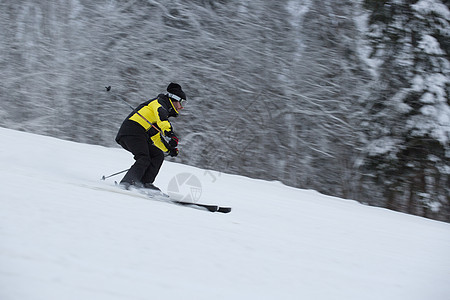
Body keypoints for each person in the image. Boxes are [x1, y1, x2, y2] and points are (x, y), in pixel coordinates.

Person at [115, 82, 186, 191]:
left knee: (157, 155)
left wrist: (169, 149)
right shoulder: (159, 103)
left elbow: (156, 136)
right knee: (144, 157)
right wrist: (170, 134)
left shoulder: (163, 109)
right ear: (174, 99)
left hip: (140, 135)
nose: (182, 107)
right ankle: (127, 183)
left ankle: (144, 184)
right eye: (182, 103)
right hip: (131, 131)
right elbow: (162, 119)